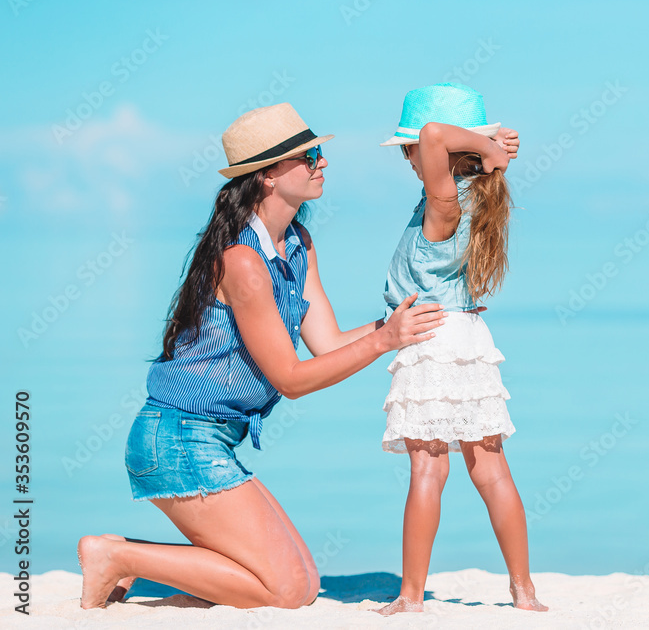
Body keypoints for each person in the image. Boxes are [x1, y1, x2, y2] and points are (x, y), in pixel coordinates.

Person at [77, 102, 518, 610]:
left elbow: (327, 344)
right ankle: (116, 556)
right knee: (287, 590)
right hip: (177, 441)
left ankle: (136, 559)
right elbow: (290, 379)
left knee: (304, 580)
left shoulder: (296, 243)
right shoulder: (243, 262)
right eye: (308, 157)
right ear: (267, 175)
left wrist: (409, 322)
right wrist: (385, 340)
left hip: (211, 440)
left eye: (318, 153)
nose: (321, 162)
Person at [374, 83, 547, 614]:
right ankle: (523, 591)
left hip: (433, 336)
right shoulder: (480, 195)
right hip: (469, 332)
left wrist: (488, 146)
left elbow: (432, 134)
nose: (410, 158)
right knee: (491, 469)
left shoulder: (444, 205)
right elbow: (443, 141)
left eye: (409, 151)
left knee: (428, 471)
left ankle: (410, 597)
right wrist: (492, 147)